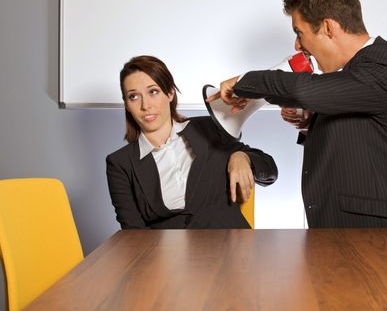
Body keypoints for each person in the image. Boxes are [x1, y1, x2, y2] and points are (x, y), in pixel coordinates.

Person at [208, 0, 387, 265]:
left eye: (300, 33)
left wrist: (245, 82)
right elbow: (363, 131)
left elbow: (306, 88)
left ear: (328, 27)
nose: (298, 44)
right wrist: (313, 120)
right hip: (360, 248)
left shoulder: (386, 62)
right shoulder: (355, 74)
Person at [106, 55, 278, 229]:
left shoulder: (209, 129)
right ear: (127, 104)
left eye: (153, 92)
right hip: (165, 254)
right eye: (134, 96)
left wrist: (243, 157)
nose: (145, 105)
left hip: (230, 248)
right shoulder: (120, 164)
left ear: (170, 92)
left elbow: (270, 172)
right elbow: (133, 234)